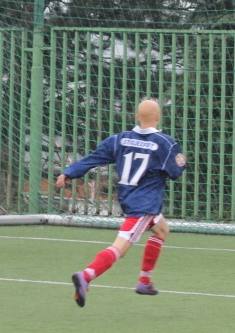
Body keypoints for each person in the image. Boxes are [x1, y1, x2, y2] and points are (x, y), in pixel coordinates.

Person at [57, 99, 187, 307]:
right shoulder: (165, 143)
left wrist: (68, 173)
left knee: (161, 230)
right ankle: (86, 275)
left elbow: (93, 158)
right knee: (120, 248)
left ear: (136, 117)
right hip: (143, 206)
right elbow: (176, 169)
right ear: (158, 117)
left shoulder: (119, 140)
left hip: (130, 200)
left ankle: (144, 281)